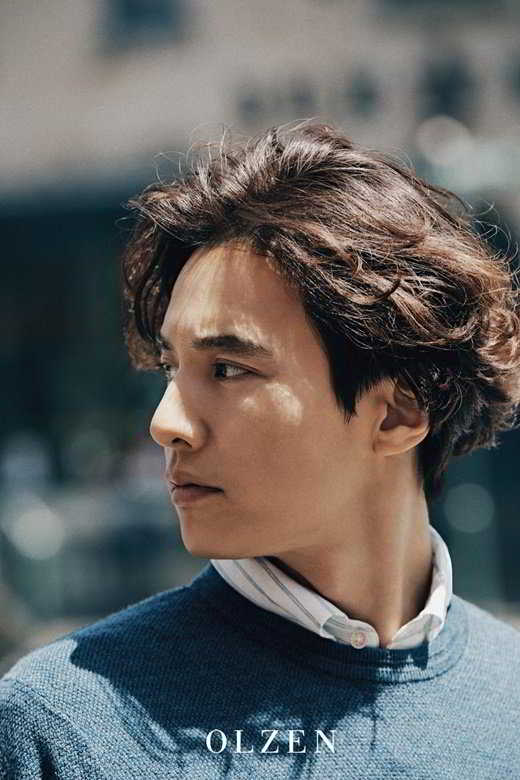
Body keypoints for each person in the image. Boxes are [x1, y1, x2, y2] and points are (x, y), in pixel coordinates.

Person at [2, 121, 520, 778]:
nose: (166, 424)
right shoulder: (61, 725)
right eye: (170, 368)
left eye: (227, 369)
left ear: (396, 413)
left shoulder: (508, 694)